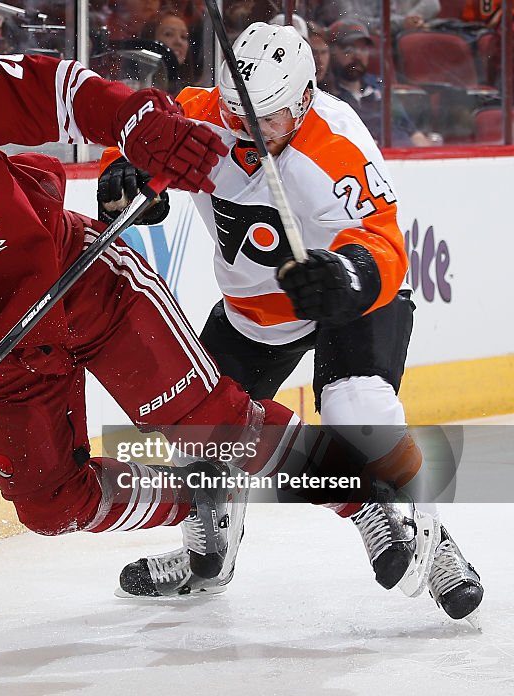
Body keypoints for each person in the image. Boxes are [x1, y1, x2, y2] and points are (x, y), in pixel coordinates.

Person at [0, 48, 431, 598]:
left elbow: (43, 89)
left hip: (81, 280)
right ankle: (192, 499)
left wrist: (131, 120)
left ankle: (358, 495)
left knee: (215, 425)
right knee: (50, 504)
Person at [97, 22, 483, 622]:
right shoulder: (200, 117)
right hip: (253, 310)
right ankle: (210, 555)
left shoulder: (335, 144)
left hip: (348, 302)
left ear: (304, 98)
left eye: (270, 118)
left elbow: (384, 244)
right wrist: (124, 172)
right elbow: (129, 129)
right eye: (238, 112)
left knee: (358, 407)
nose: (250, 131)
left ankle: (426, 539)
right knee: (198, 426)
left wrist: (344, 276)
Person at [326, 20, 432, 147]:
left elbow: (413, 133)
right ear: (331, 52)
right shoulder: (327, 95)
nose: (357, 56)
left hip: (403, 156)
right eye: (348, 49)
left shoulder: (379, 86)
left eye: (363, 49)